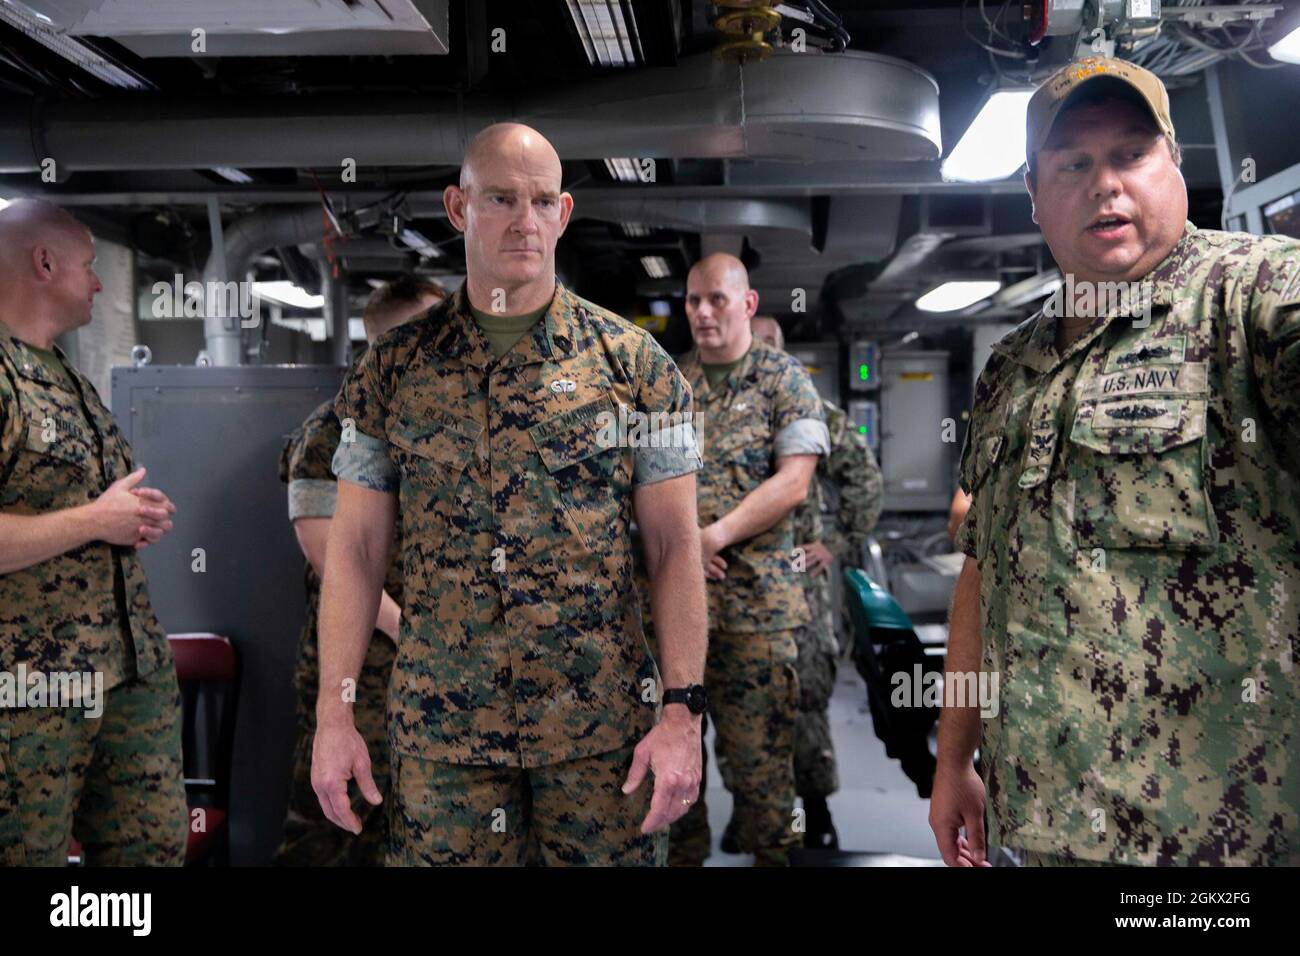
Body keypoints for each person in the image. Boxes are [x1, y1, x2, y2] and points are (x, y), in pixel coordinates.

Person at [930, 56, 1300, 867]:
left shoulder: (1254, 297)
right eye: (1074, 164)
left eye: (1131, 154)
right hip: (1042, 825)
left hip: (1214, 846)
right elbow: (982, 572)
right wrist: (953, 758)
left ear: (1174, 163)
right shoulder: (1014, 367)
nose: (1106, 184)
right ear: (1034, 192)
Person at [312, 122, 709, 866]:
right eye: (500, 198)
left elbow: (674, 546)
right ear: (459, 208)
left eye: (539, 202)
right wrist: (334, 715)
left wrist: (684, 712)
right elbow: (357, 550)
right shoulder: (393, 372)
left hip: (600, 732)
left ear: (562, 214)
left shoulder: (636, 369)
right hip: (444, 736)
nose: (524, 221)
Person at [0, 199, 186, 866]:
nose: (100, 283)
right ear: (44, 263)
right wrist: (95, 520)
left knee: (152, 851)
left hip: (125, 673)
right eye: (89, 266)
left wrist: (123, 524)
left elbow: (75, 517)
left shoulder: (70, 380)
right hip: (31, 690)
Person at [272, 276, 445, 866]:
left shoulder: (445, 426)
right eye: (423, 337)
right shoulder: (330, 431)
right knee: (332, 831)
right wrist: (410, 631)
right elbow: (327, 552)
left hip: (436, 674)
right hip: (361, 673)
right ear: (383, 347)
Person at [670, 256, 829, 866]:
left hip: (756, 617)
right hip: (676, 615)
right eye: (692, 301)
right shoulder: (668, 381)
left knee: (763, 781)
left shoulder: (784, 380)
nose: (703, 313)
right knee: (672, 779)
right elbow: (634, 486)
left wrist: (712, 539)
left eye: (715, 299)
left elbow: (793, 484)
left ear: (748, 304)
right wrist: (686, 546)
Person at [749, 315, 883, 850]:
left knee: (803, 701)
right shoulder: (710, 412)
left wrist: (837, 543)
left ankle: (817, 813)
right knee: (740, 708)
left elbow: (864, 479)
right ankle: (754, 815)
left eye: (766, 348)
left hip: (797, 588)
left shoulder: (810, 412)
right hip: (734, 588)